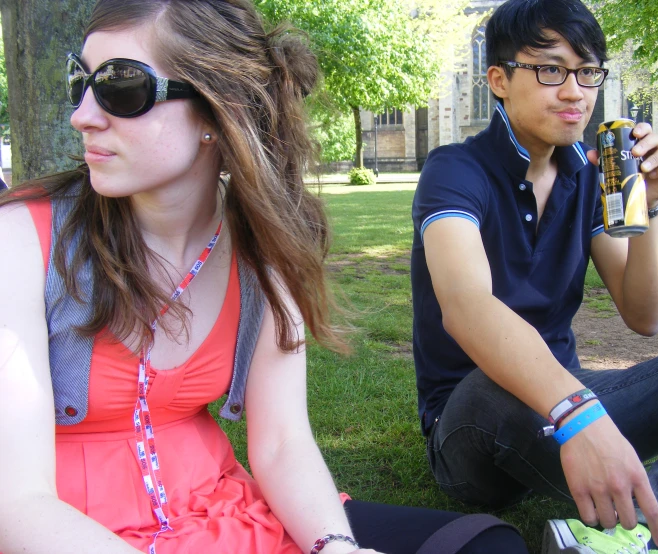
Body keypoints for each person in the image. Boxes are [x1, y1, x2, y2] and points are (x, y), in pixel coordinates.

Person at [0, 1, 531, 553]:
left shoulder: (257, 254)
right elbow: (17, 504)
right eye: (80, 81)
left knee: (488, 546)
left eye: (120, 86)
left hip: (217, 511)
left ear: (217, 109)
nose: (82, 114)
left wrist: (335, 547)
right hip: (63, 530)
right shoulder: (20, 241)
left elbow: (280, 443)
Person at [410, 1, 658, 553]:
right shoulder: (454, 172)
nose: (574, 92)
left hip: (571, 407)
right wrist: (578, 412)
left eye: (587, 73)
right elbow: (466, 305)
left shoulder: (588, 177)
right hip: (473, 421)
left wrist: (650, 205)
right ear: (498, 80)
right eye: (550, 70)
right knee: (494, 378)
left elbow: (646, 316)